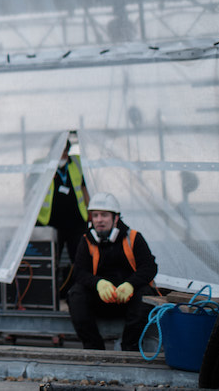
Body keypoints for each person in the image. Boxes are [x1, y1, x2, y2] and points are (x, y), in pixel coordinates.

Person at [68, 192, 157, 351]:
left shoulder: (134, 238)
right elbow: (79, 272)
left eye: (104, 215)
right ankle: (94, 349)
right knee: (76, 294)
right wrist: (98, 284)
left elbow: (149, 267)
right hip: (101, 300)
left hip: (129, 300)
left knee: (145, 294)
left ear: (116, 218)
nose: (99, 220)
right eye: (95, 215)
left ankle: (129, 348)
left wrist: (130, 284)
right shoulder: (86, 240)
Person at [35, 135, 89, 292]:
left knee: (79, 259)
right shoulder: (42, 166)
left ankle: (78, 291)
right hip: (50, 223)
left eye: (66, 151)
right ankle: (49, 293)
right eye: (61, 151)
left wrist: (90, 211)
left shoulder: (77, 163)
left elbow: (84, 188)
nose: (64, 155)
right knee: (51, 260)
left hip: (77, 222)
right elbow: (31, 193)